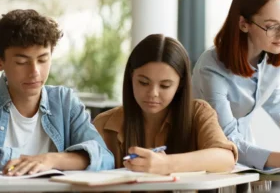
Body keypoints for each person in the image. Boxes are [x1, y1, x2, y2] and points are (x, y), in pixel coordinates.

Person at [192, 0, 280, 171]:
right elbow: (228, 138)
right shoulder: (211, 67)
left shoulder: (272, 56)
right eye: (271, 26)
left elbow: (276, 104)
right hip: (205, 159)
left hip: (244, 160)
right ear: (244, 24)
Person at [93, 34, 237, 174]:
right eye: (143, 83)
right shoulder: (104, 124)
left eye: (165, 85)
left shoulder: (198, 112)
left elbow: (226, 159)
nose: (153, 93)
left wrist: (166, 164)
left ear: (180, 85)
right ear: (131, 78)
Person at [0, 9, 114, 176]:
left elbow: (104, 158)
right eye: (21, 62)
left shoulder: (63, 101)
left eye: (43, 60)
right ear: (1, 62)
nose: (35, 72)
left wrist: (50, 160)